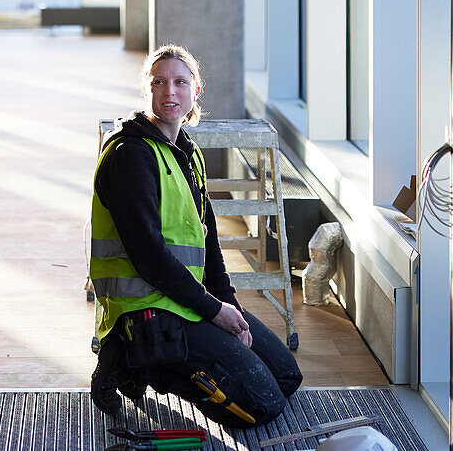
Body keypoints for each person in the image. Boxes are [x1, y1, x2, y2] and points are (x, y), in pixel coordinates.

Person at [88, 44, 302, 428]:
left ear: (195, 91)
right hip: (147, 309)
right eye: (159, 82)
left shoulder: (186, 151)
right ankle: (132, 363)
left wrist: (229, 307)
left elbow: (209, 243)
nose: (170, 92)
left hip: (184, 298)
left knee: (287, 377)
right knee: (263, 406)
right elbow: (149, 256)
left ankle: (159, 358)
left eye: (180, 82)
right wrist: (213, 311)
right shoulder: (130, 156)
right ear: (147, 91)